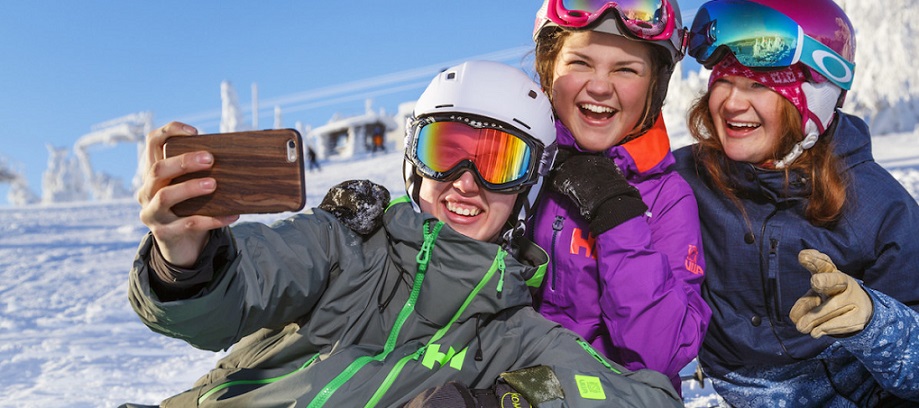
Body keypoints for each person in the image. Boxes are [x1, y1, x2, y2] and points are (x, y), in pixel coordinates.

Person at [123, 60, 682, 407]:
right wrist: (184, 256)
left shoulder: (512, 334)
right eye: (446, 152)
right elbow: (239, 291)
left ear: (527, 188)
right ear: (415, 161)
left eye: (498, 161)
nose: (465, 183)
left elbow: (648, 400)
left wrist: (501, 402)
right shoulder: (345, 245)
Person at [673, 0, 919, 406]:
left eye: (758, 85)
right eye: (724, 80)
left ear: (813, 99)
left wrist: (874, 321)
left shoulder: (878, 206)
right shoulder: (684, 178)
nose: (733, 103)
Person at [529, 0, 711, 393]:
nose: (599, 86)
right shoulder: (517, 167)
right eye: (580, 63)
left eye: (626, 69)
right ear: (548, 71)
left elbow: (662, 352)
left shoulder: (667, 198)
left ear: (655, 87)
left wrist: (616, 212)